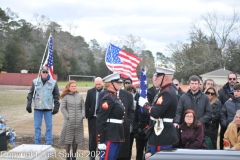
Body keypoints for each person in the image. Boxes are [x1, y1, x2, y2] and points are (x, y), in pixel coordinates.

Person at [138, 67, 179, 157]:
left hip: (162, 135)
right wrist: (147, 104)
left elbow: (155, 112)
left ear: (166, 78)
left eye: (158, 76)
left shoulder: (167, 93)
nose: (155, 78)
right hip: (159, 133)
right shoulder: (165, 91)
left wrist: (145, 104)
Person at [26, 66, 60, 145]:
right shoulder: (35, 82)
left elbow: (56, 95)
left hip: (48, 108)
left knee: (49, 127)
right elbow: (30, 94)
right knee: (37, 127)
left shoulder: (53, 83)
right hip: (38, 108)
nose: (45, 74)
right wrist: (29, 104)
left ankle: (48, 144)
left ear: (48, 73)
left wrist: (56, 106)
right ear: (40, 73)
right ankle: (37, 144)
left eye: (46, 72)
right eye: (43, 72)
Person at [96, 72, 125, 160]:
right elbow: (100, 119)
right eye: (118, 82)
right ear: (110, 84)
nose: (120, 84)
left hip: (116, 134)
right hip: (110, 134)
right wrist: (100, 141)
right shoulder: (108, 98)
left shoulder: (115, 97)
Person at [59, 80, 85, 160]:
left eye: (75, 86)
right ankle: (68, 156)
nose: (74, 87)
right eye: (72, 86)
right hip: (69, 122)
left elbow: (83, 107)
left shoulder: (79, 96)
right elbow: (62, 108)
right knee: (68, 139)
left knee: (76, 139)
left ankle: (74, 156)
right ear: (69, 87)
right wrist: (68, 117)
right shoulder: (65, 96)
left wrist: (82, 115)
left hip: (78, 122)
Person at [85, 77, 104, 160]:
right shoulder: (90, 92)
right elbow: (87, 104)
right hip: (93, 118)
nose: (98, 86)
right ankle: (91, 155)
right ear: (94, 84)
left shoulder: (106, 92)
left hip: (103, 119)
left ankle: (102, 155)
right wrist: (88, 115)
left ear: (102, 83)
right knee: (92, 137)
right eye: (97, 84)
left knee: (102, 137)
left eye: (99, 84)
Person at [218, 72, 238, 150]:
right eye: (230, 79)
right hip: (226, 124)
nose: (232, 80)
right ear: (227, 79)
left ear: (236, 79)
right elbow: (220, 108)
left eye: (234, 79)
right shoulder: (221, 91)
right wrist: (224, 123)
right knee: (225, 146)